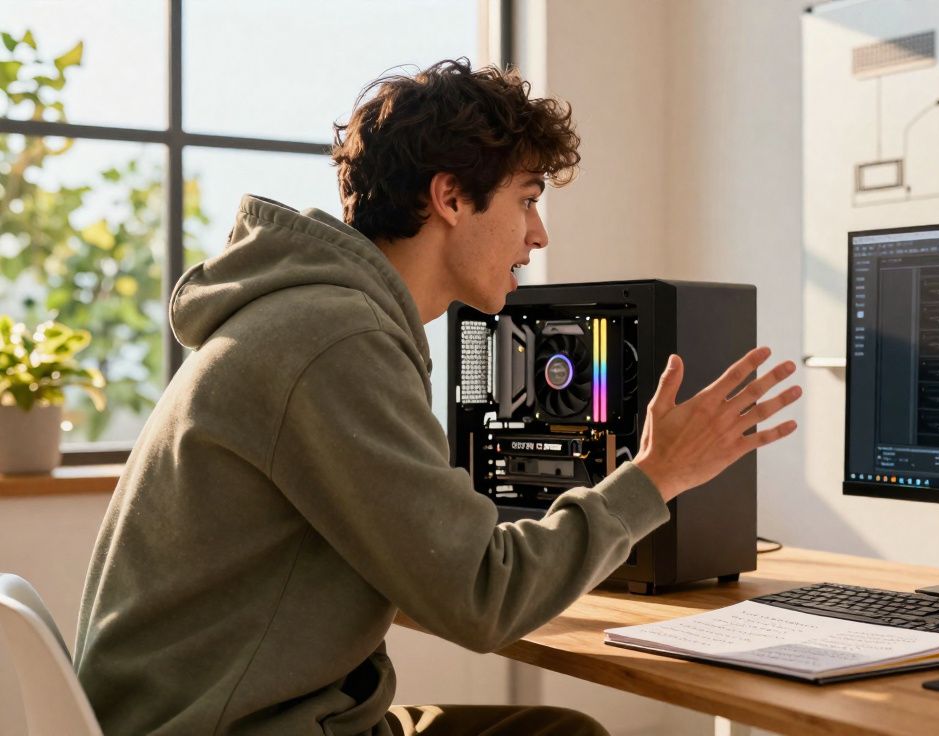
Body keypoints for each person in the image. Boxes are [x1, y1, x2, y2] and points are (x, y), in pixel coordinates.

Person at [72, 58, 801, 736]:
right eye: (527, 200)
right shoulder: (333, 342)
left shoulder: (310, 318)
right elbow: (485, 598)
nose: (538, 234)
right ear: (450, 196)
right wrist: (658, 476)